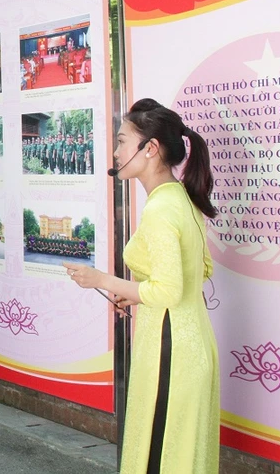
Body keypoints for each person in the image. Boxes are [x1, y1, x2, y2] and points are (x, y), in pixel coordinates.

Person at [66, 98, 219, 473]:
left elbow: (168, 291)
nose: (115, 151)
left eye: (121, 141)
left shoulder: (161, 208)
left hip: (172, 353)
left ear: (149, 149)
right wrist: (135, 295)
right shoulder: (181, 199)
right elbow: (202, 269)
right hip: (189, 342)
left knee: (160, 457)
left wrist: (102, 280)